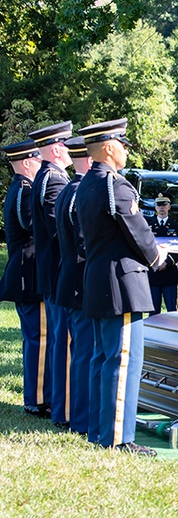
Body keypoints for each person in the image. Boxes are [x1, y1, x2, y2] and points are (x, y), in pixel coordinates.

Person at [76, 118, 165, 455]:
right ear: (109, 148)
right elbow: (138, 230)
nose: (127, 151)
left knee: (104, 359)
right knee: (123, 361)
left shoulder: (86, 183)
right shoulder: (115, 185)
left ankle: (102, 433)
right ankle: (118, 437)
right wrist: (158, 259)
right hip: (122, 282)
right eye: (123, 145)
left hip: (100, 280)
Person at [28, 121, 74, 427]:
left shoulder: (46, 176)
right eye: (67, 145)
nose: (71, 150)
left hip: (49, 271)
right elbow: (61, 231)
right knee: (64, 342)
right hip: (59, 271)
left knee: (59, 340)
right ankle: (64, 409)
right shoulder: (55, 180)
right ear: (56, 149)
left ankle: (60, 405)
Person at [53, 136, 95, 435]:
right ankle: (80, 419)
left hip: (68, 278)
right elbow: (85, 244)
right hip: (81, 281)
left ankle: (68, 412)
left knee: (78, 350)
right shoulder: (81, 193)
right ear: (90, 160)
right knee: (84, 352)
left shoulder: (67, 190)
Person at [0, 140, 45, 417]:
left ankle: (35, 394)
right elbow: (34, 229)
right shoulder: (25, 192)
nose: (41, 166)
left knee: (33, 339)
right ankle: (36, 398)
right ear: (27, 162)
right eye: (38, 161)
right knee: (38, 339)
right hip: (29, 274)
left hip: (24, 272)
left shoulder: (18, 189)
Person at [147, 194, 178, 314]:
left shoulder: (177, 228)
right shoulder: (147, 227)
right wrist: (154, 262)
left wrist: (167, 262)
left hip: (170, 272)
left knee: (172, 310)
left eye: (164, 204)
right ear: (155, 208)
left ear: (169, 206)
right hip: (153, 272)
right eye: (158, 205)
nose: (161, 208)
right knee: (153, 310)